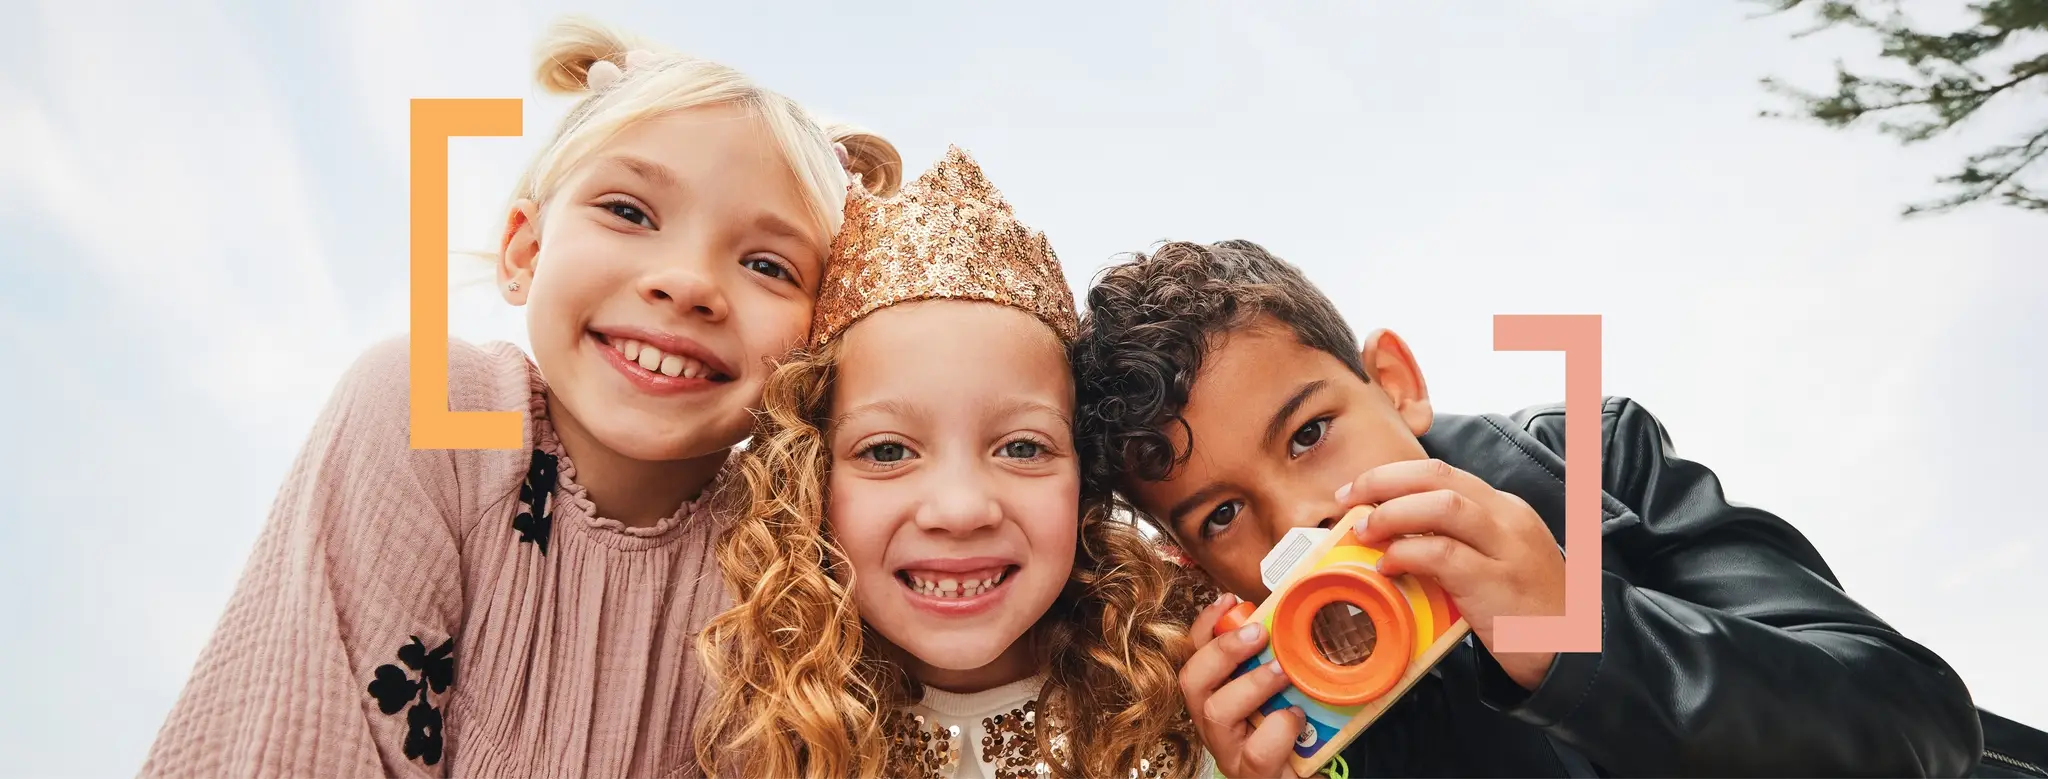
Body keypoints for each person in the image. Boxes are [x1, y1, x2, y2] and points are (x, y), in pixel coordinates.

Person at [138, 16, 900, 778]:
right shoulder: (438, 411)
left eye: (769, 265)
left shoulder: (789, 562)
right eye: (629, 212)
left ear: (819, 342)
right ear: (525, 250)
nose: (689, 282)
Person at [1066, 239, 1985, 777]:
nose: (1303, 514)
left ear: (1396, 384)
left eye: (1309, 433)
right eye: (1220, 516)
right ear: (1192, 563)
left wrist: (1577, 635)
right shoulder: (1267, 707)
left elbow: (1921, 727)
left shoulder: (1590, 459)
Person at [694, 147, 1208, 779]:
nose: (961, 510)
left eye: (1022, 448)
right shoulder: (741, 713)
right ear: (808, 476)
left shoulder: (1197, 681)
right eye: (887, 451)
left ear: (1087, 475)